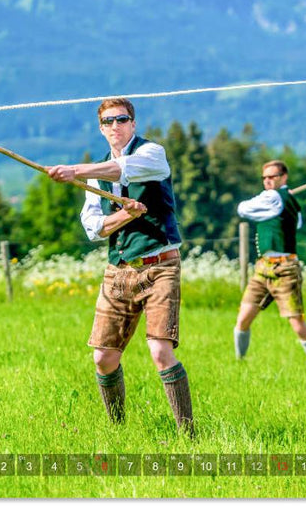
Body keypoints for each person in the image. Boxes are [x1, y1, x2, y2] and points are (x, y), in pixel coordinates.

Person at [46, 97, 194, 435]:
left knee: (160, 350)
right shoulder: (95, 180)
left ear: (133, 124)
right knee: (103, 357)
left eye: (122, 119)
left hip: (160, 265)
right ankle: (118, 430)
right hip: (118, 270)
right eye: (109, 122)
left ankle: (188, 434)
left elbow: (123, 169)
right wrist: (125, 214)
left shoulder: (151, 154)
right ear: (101, 129)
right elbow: (95, 229)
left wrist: (74, 171)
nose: (116, 126)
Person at [234, 160, 306, 363]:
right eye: (264, 177)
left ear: (284, 177)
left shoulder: (273, 197)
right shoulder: (285, 200)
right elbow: (296, 223)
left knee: (297, 323)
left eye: (272, 177)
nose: (267, 181)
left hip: (286, 268)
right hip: (263, 267)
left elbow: (243, 209)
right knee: (244, 317)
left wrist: (272, 200)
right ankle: (239, 361)